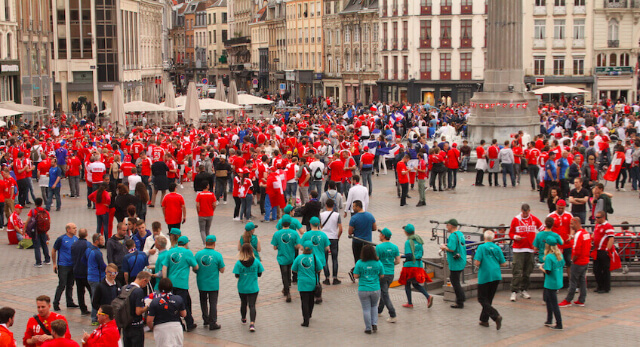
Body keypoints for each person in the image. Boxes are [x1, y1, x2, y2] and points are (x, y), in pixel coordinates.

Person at [162, 236, 198, 331]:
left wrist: (165, 281)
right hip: (182, 283)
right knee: (183, 304)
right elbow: (196, 266)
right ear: (186, 243)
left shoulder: (170, 251)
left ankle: (181, 322)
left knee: (175, 303)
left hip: (171, 283)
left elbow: (164, 267)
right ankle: (189, 323)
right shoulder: (187, 252)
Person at [508, 203, 543, 302]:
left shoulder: (534, 219)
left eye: (526, 213)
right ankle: (514, 291)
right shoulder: (516, 219)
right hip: (519, 249)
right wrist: (515, 237)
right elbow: (510, 233)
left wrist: (539, 241)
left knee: (527, 271)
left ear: (529, 211)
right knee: (517, 271)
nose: (524, 214)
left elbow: (542, 229)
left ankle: (524, 289)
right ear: (521, 211)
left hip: (530, 249)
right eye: (523, 213)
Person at [474, 230, 505, 330]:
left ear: (484, 238)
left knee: (482, 298)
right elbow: (503, 263)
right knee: (489, 298)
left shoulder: (481, 247)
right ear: (493, 238)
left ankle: (495, 316)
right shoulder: (497, 247)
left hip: (485, 275)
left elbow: (477, 262)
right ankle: (484, 320)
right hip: (496, 274)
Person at [398, 224, 434, 309]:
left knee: (407, 284)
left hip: (410, 266)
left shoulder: (408, 242)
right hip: (418, 265)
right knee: (415, 284)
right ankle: (427, 297)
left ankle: (410, 303)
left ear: (406, 232)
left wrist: (401, 256)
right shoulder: (419, 240)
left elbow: (409, 255)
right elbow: (421, 253)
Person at [195, 235, 225, 330]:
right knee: (213, 303)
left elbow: (195, 268)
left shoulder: (198, 254)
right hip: (213, 284)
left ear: (206, 242)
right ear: (214, 243)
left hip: (201, 283)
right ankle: (213, 322)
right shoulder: (217, 255)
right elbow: (222, 270)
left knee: (203, 301)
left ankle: (205, 319)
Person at [559, 217, 591, 307]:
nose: (570, 226)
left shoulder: (578, 235)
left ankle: (568, 300)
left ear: (576, 223)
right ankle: (581, 299)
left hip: (578, 262)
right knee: (582, 281)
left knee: (573, 281)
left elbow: (577, 250)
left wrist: (573, 260)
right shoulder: (586, 233)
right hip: (585, 261)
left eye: (572, 224)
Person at [233, 243, 264, 333]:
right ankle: (252, 323)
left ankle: (243, 318)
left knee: (243, 303)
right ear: (251, 251)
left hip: (242, 287)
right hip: (253, 287)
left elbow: (236, 275)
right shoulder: (256, 261)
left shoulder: (239, 263)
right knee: (252, 305)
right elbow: (260, 274)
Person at [146, 279, 187, 346]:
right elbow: (184, 314)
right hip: (176, 327)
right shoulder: (178, 299)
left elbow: (149, 320)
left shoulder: (154, 302)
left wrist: (152, 328)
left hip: (160, 328)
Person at [354, 244, 384, 334]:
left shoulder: (359, 263)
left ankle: (368, 328)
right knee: (374, 306)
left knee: (366, 309)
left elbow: (355, 275)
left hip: (363, 288)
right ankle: (374, 323)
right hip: (375, 288)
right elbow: (382, 275)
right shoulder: (378, 262)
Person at [291, 240, 323, 327]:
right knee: (311, 300)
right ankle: (309, 314)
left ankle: (305, 320)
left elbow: (293, 269)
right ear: (312, 249)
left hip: (302, 283)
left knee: (304, 301)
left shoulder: (299, 258)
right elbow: (320, 269)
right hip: (312, 282)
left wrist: (301, 272)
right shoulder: (315, 258)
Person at [300, 217, 330, 303]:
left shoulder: (306, 235)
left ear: (310, 224)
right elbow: (327, 248)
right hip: (320, 259)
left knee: (310, 276)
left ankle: (311, 293)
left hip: (309, 259)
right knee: (317, 277)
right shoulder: (323, 235)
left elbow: (301, 248)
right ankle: (318, 295)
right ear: (319, 224)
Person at [271, 217, 301, 303]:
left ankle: (287, 291)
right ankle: (288, 285)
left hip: (281, 257)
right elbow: (298, 246)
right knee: (288, 271)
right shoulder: (294, 233)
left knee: (284, 274)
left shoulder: (277, 234)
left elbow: (274, 247)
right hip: (291, 256)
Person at [439, 219, 466, 309]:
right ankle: (461, 298)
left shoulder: (453, 236)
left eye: (447, 225)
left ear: (451, 226)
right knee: (455, 280)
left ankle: (460, 301)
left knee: (455, 281)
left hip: (455, 263)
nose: (446, 227)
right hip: (461, 260)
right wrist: (448, 244)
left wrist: (444, 247)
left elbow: (452, 248)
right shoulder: (460, 234)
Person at [52, 223, 79, 311]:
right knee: (62, 284)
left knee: (70, 284)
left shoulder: (76, 239)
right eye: (74, 228)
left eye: (76, 228)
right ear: (68, 230)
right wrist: (54, 263)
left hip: (72, 265)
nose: (76, 229)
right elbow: (54, 250)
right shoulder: (61, 239)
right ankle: (56, 302)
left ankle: (69, 302)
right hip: (63, 265)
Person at [348, 200, 376, 282]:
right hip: (368, 242)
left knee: (358, 259)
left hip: (357, 242)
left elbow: (350, 232)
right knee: (368, 259)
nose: (353, 208)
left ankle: (355, 272)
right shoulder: (370, 215)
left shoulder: (354, 218)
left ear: (358, 206)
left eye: (353, 206)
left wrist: (356, 230)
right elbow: (374, 228)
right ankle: (366, 274)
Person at [121, 271, 151, 347]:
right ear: (144, 280)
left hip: (126, 324)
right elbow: (138, 311)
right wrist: (147, 306)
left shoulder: (124, 288)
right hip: (136, 326)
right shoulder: (138, 291)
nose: (145, 285)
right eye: (146, 283)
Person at [375, 228, 400, 323]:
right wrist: (391, 264)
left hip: (382, 274)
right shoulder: (395, 247)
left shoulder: (378, 247)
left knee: (385, 294)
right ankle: (379, 310)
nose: (379, 236)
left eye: (380, 234)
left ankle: (392, 314)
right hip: (391, 274)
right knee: (384, 292)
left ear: (384, 236)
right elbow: (397, 261)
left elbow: (376, 259)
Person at [539, 239, 565, 330]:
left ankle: (559, 323)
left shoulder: (549, 257)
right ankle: (549, 319)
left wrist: (541, 267)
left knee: (554, 304)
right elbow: (562, 265)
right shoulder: (559, 255)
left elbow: (548, 271)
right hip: (557, 280)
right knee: (548, 300)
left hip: (550, 283)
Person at [85, 233, 106, 325]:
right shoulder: (97, 252)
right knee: (95, 298)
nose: (103, 241)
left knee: (94, 297)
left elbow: (83, 260)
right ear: (96, 241)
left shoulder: (88, 249)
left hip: (90, 276)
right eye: (101, 240)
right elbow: (102, 266)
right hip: (96, 278)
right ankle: (94, 318)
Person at [320, 199, 342, 285]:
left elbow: (320, 226)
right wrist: (337, 237)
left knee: (324, 259)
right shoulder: (337, 215)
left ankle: (327, 278)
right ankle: (335, 278)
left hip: (324, 238)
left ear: (326, 205)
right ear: (333, 206)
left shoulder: (321, 215)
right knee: (334, 258)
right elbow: (341, 229)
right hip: (334, 238)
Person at [70, 228, 91, 316]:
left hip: (76, 270)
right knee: (91, 291)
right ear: (86, 234)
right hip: (85, 271)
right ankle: (94, 307)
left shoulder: (74, 244)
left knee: (80, 291)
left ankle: (83, 308)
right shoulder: (88, 244)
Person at [593, 211, 615, 294]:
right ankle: (599, 285)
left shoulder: (608, 226)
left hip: (603, 251)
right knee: (596, 270)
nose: (596, 219)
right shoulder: (597, 225)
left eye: (598, 217)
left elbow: (611, 238)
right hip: (597, 250)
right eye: (596, 217)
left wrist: (607, 250)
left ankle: (606, 287)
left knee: (605, 270)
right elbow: (594, 235)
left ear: (603, 217)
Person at [27, 198, 51, 267]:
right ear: (41, 203)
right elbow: (49, 221)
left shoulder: (33, 211)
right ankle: (47, 260)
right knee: (44, 245)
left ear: (35, 203)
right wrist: (46, 231)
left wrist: (25, 229)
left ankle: (38, 262)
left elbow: (28, 220)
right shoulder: (45, 211)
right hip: (43, 231)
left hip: (36, 231)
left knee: (37, 247)